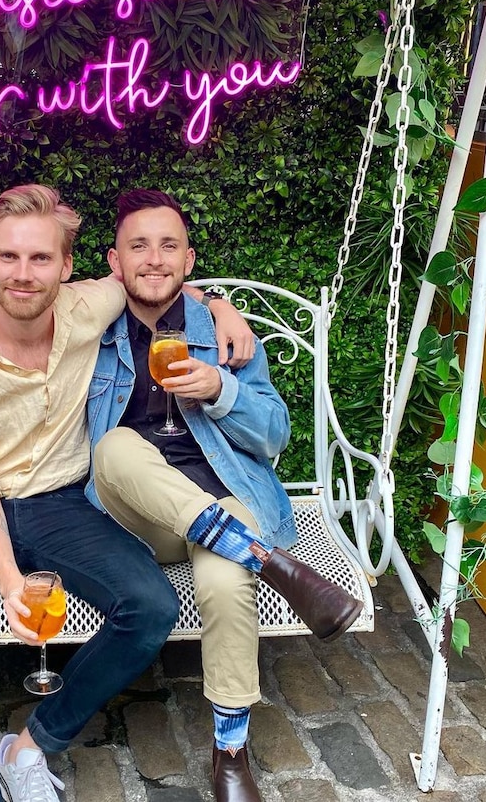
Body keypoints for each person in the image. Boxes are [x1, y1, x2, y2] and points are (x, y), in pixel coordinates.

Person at [0, 183, 255, 802]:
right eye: (8, 257)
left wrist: (218, 305)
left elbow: (156, 277)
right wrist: (11, 582)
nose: (23, 273)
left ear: (67, 268)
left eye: (41, 259)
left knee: (149, 606)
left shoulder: (88, 306)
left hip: (63, 503)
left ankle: (29, 745)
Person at [84, 189, 364, 802]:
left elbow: (275, 435)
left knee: (222, 575)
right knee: (115, 449)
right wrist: (216, 297)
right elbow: (15, 293)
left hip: (224, 507)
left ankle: (231, 749)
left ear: (188, 260)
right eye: (138, 246)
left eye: (168, 246)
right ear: (113, 261)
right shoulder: (89, 331)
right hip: (138, 521)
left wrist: (221, 390)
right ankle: (269, 561)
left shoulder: (223, 336)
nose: (153, 259)